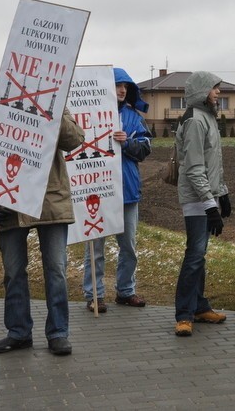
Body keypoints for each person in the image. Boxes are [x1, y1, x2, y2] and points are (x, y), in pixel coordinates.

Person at [0, 107, 85, 356]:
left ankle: (58, 333)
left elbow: (75, 140)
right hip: (8, 204)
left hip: (50, 202)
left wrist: (52, 113)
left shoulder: (56, 105)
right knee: (13, 272)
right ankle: (18, 332)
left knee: (56, 270)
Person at [83, 67, 151, 313]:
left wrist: (128, 142)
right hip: (97, 193)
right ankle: (94, 295)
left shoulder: (134, 118)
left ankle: (125, 291)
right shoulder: (89, 115)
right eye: (118, 86)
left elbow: (145, 150)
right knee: (95, 247)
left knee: (129, 247)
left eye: (126, 87)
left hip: (128, 191)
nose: (122, 90)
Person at [174, 71, 231, 337]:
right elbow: (195, 169)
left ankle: (199, 306)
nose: (218, 92)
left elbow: (213, 162)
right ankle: (184, 314)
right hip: (197, 200)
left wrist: (224, 193)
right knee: (194, 255)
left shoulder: (208, 117)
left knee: (200, 255)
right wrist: (210, 206)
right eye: (214, 88)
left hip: (208, 196)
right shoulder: (196, 121)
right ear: (200, 91)